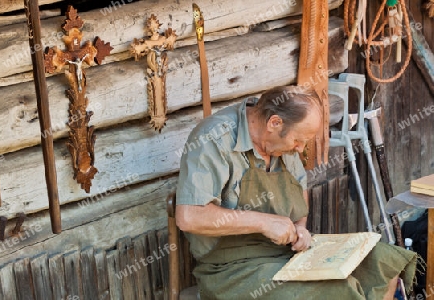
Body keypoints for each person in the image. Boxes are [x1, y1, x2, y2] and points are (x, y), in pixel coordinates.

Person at [175, 86, 418, 300]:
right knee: (336, 290)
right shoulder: (215, 139)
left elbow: (298, 190)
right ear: (275, 123)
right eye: (298, 141)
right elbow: (189, 216)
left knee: (381, 258)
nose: (300, 149)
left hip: (285, 253)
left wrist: (300, 227)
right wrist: (263, 222)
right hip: (230, 268)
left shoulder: (281, 142)